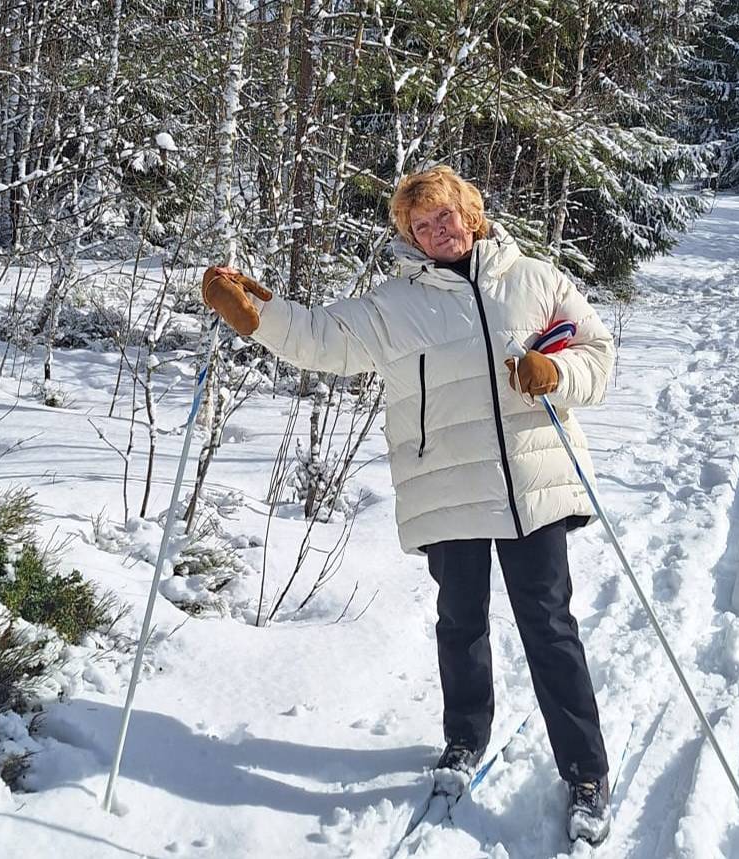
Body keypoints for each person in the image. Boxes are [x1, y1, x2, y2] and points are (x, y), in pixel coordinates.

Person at [200, 165, 615, 846]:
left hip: (529, 485)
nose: (435, 231)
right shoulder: (396, 303)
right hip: (446, 484)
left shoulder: (536, 281)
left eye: (444, 217)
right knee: (460, 623)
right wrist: (256, 314)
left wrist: (557, 373)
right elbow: (324, 338)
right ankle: (463, 738)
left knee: (548, 625)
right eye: (420, 225)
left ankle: (587, 772)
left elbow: (597, 354)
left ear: (472, 214)